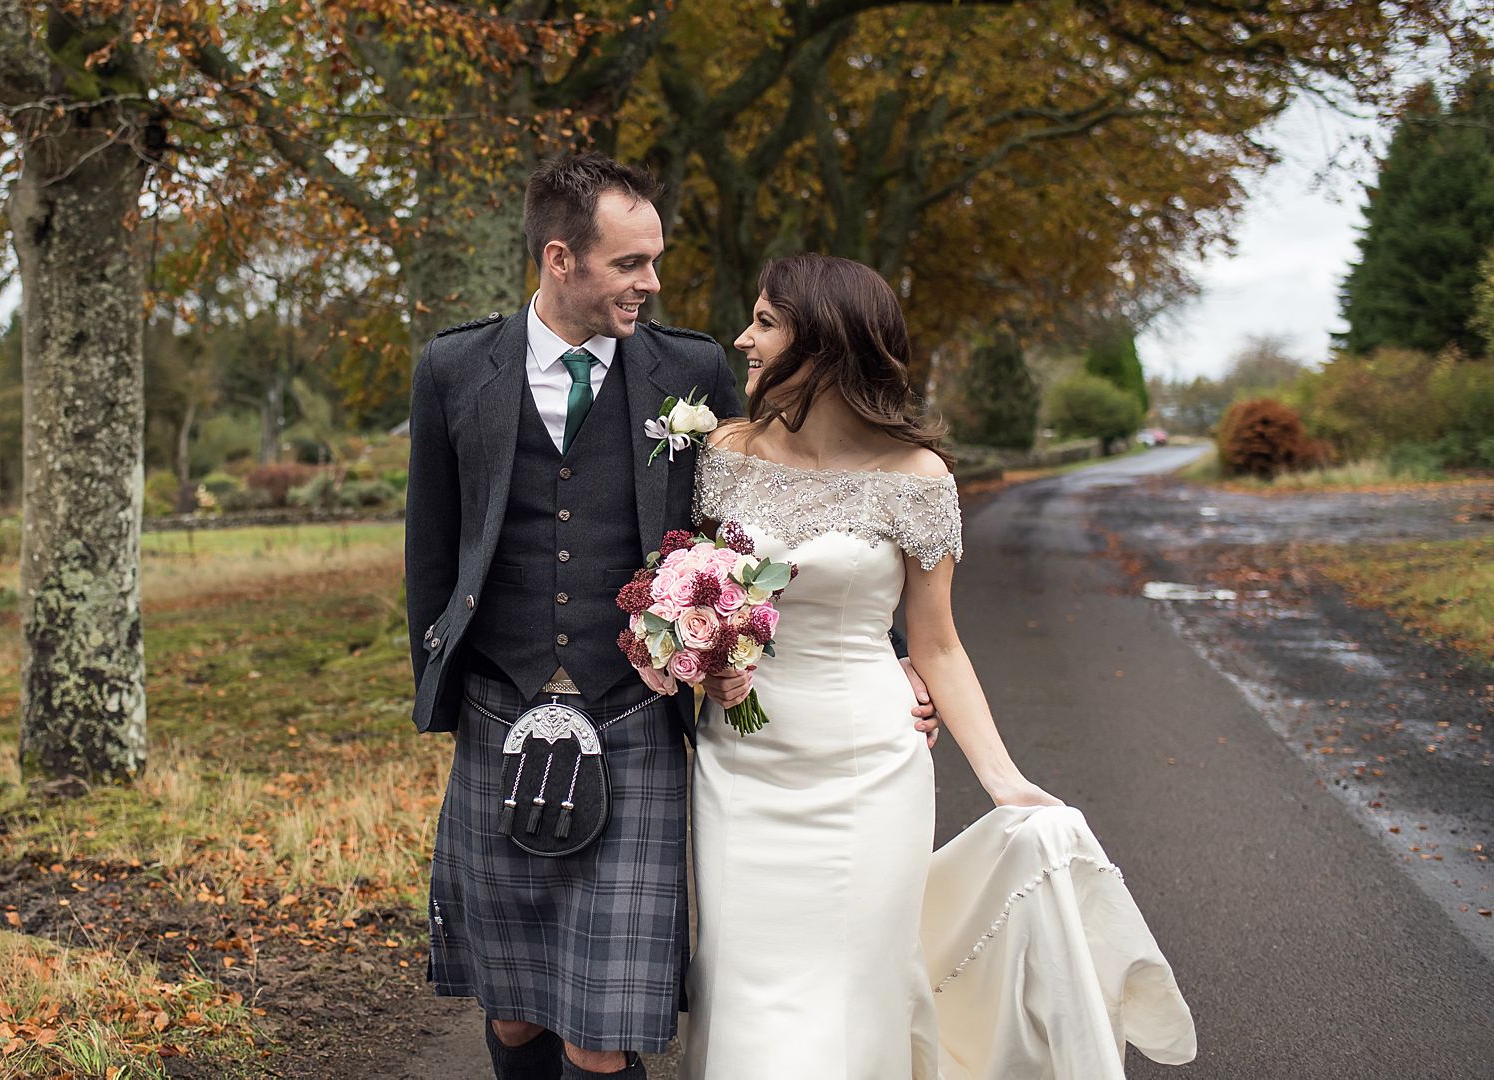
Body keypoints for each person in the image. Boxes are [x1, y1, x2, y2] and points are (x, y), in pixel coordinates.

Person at [405, 157, 939, 1079]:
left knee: (598, 1034)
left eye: (656, 261)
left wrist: (890, 653)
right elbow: (433, 549)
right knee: (515, 1012)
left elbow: (777, 520)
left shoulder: (690, 371)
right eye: (631, 265)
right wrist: (440, 693)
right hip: (499, 706)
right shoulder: (455, 367)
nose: (653, 282)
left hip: (633, 710)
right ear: (561, 258)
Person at [680, 254, 1196, 1078]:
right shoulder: (727, 452)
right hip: (742, 763)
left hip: (868, 770)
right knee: (745, 986)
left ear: (827, 340)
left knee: (856, 988)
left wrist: (1005, 781)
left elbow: (937, 643)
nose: (743, 338)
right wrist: (695, 652)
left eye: (766, 322)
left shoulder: (918, 480)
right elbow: (697, 589)